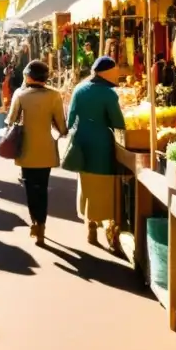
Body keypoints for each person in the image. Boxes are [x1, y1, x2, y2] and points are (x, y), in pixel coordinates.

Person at [65, 56, 126, 249]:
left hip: (81, 142)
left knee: (86, 183)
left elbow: (70, 120)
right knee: (104, 186)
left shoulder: (79, 89)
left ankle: (90, 224)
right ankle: (107, 226)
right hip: (101, 144)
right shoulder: (109, 94)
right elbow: (118, 122)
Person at [5, 60, 67, 246]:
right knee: (43, 188)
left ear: (28, 76)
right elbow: (61, 125)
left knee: (30, 188)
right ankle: (42, 225)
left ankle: (35, 222)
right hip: (47, 148)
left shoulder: (20, 94)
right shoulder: (55, 95)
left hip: (26, 149)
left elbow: (11, 120)